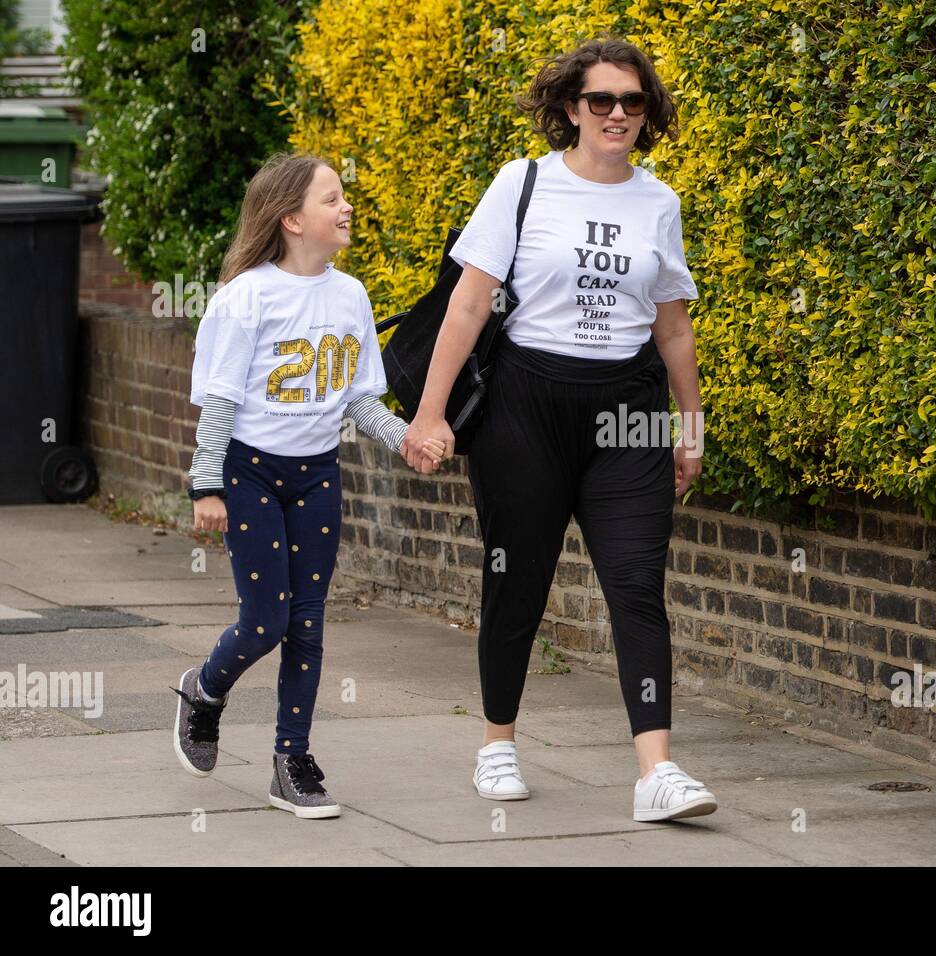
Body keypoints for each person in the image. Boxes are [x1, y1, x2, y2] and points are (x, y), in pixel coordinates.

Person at [402, 36, 716, 822]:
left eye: (633, 101)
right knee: (518, 580)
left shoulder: (660, 202)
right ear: (571, 108)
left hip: (629, 409)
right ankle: (498, 744)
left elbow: (672, 327)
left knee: (639, 585)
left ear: (649, 111)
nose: (617, 114)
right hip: (526, 406)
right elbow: (469, 305)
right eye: (601, 100)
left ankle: (657, 771)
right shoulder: (523, 183)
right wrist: (431, 411)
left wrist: (692, 425)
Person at [173, 152, 446, 819]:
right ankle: (204, 690)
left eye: (342, 196)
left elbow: (357, 399)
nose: (346, 207)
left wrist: (402, 437)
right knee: (265, 620)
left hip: (319, 474)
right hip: (250, 472)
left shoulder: (349, 295)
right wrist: (206, 488)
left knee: (308, 623)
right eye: (332, 199)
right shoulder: (248, 297)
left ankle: (290, 761)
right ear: (292, 218)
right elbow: (221, 402)